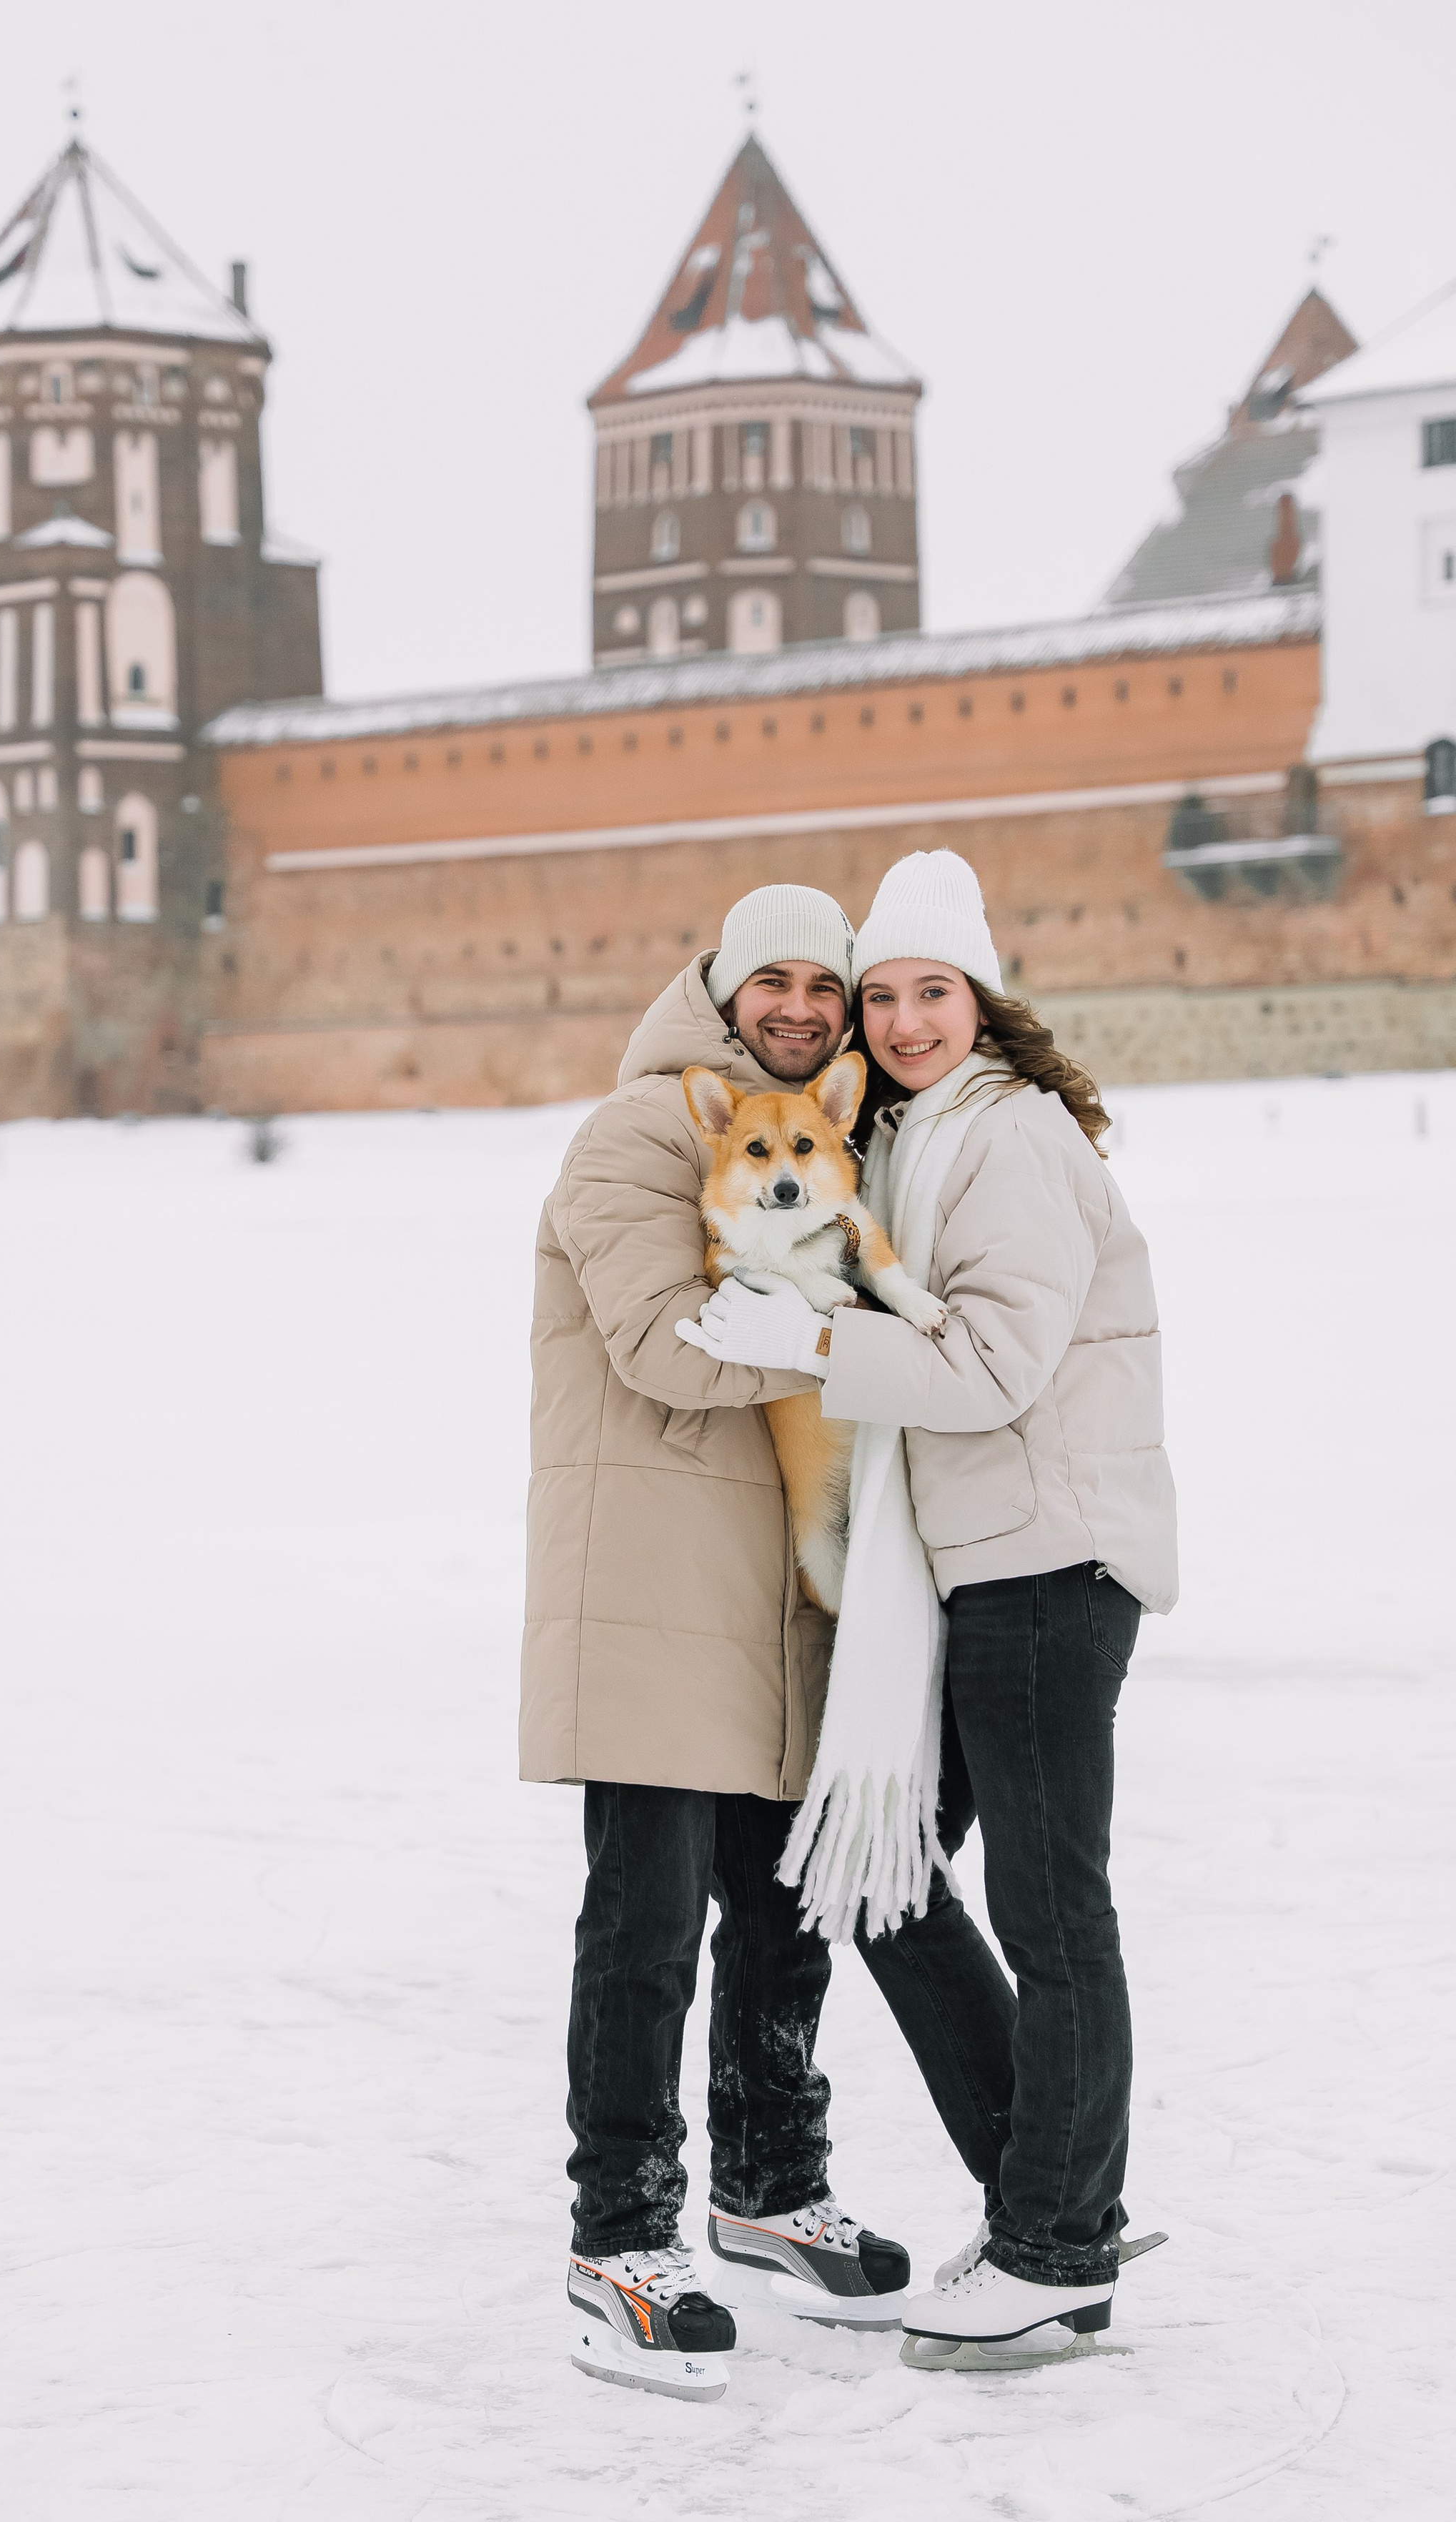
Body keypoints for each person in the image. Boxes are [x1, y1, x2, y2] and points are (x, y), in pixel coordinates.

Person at [684, 849, 1177, 2366]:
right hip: (969, 1570)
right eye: (880, 995)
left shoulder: (1009, 1140)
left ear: (983, 1000)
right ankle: (1051, 2198)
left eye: (930, 992)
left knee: (1048, 1910)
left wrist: (811, 1338)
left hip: (1047, 1561)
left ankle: (1050, 2243)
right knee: (881, 1883)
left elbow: (988, 1370)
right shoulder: (912, 1139)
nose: (898, 1021)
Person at [523, 884, 911, 2404]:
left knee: (774, 1918)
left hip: (775, 1599)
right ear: (723, 986)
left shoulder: (820, 1135)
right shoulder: (639, 1135)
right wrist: (860, 1346)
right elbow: (657, 1343)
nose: (803, 1005)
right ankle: (618, 2233)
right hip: (651, 1595)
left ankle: (765, 2186)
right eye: (776, 981)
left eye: (828, 984)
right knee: (641, 1929)